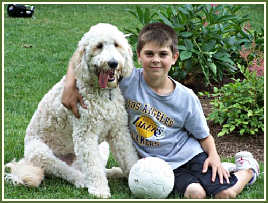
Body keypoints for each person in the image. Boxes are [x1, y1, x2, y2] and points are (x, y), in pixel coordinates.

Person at [61, 22, 259, 199]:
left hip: (191, 156)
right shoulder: (128, 80)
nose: (156, 60)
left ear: (174, 58)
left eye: (163, 54)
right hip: (160, 167)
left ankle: (248, 169)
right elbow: (81, 54)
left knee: (226, 194)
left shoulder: (186, 98)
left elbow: (204, 136)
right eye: (149, 54)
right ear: (138, 56)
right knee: (196, 194)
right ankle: (221, 174)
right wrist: (69, 86)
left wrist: (214, 157)